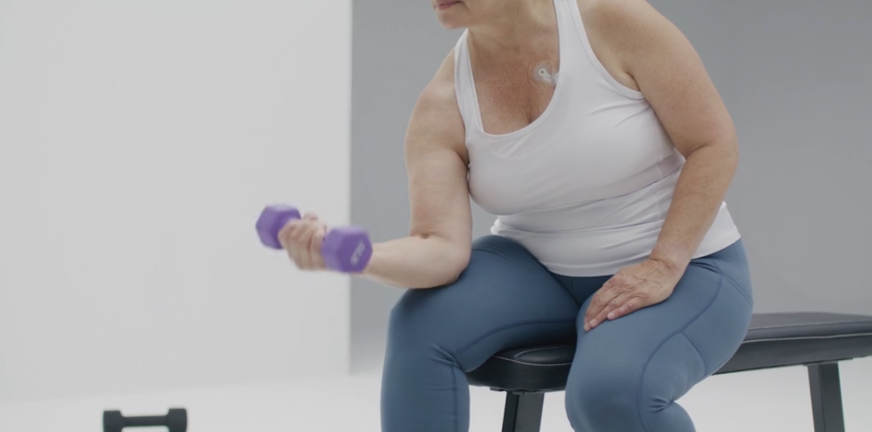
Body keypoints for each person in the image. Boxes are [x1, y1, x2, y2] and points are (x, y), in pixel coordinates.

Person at [279, 0, 754, 430]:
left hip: (686, 266)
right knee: (421, 327)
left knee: (612, 392)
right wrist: (354, 257)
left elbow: (713, 143)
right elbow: (437, 247)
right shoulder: (444, 101)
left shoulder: (612, 22)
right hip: (538, 271)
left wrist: (664, 263)